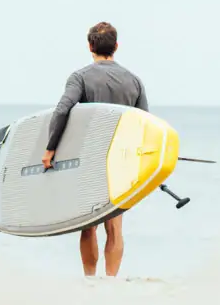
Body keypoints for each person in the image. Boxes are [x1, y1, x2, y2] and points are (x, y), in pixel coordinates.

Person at [41, 21, 149, 278]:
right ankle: (110, 283)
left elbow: (62, 110)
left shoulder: (80, 77)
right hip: (121, 163)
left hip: (89, 161)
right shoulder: (134, 81)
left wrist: (50, 149)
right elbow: (145, 123)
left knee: (88, 226)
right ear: (116, 46)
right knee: (115, 225)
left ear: (90, 46)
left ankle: (90, 281)